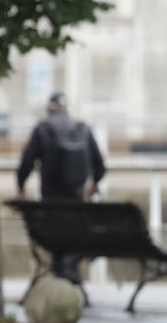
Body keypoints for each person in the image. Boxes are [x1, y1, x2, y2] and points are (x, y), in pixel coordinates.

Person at [16, 91, 107, 283]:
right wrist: (94, 184)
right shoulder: (83, 129)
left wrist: (21, 185)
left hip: (51, 205)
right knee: (72, 238)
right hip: (77, 206)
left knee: (57, 238)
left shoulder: (43, 128)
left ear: (49, 108)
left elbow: (27, 163)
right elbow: (100, 165)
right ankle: (70, 273)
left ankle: (61, 274)